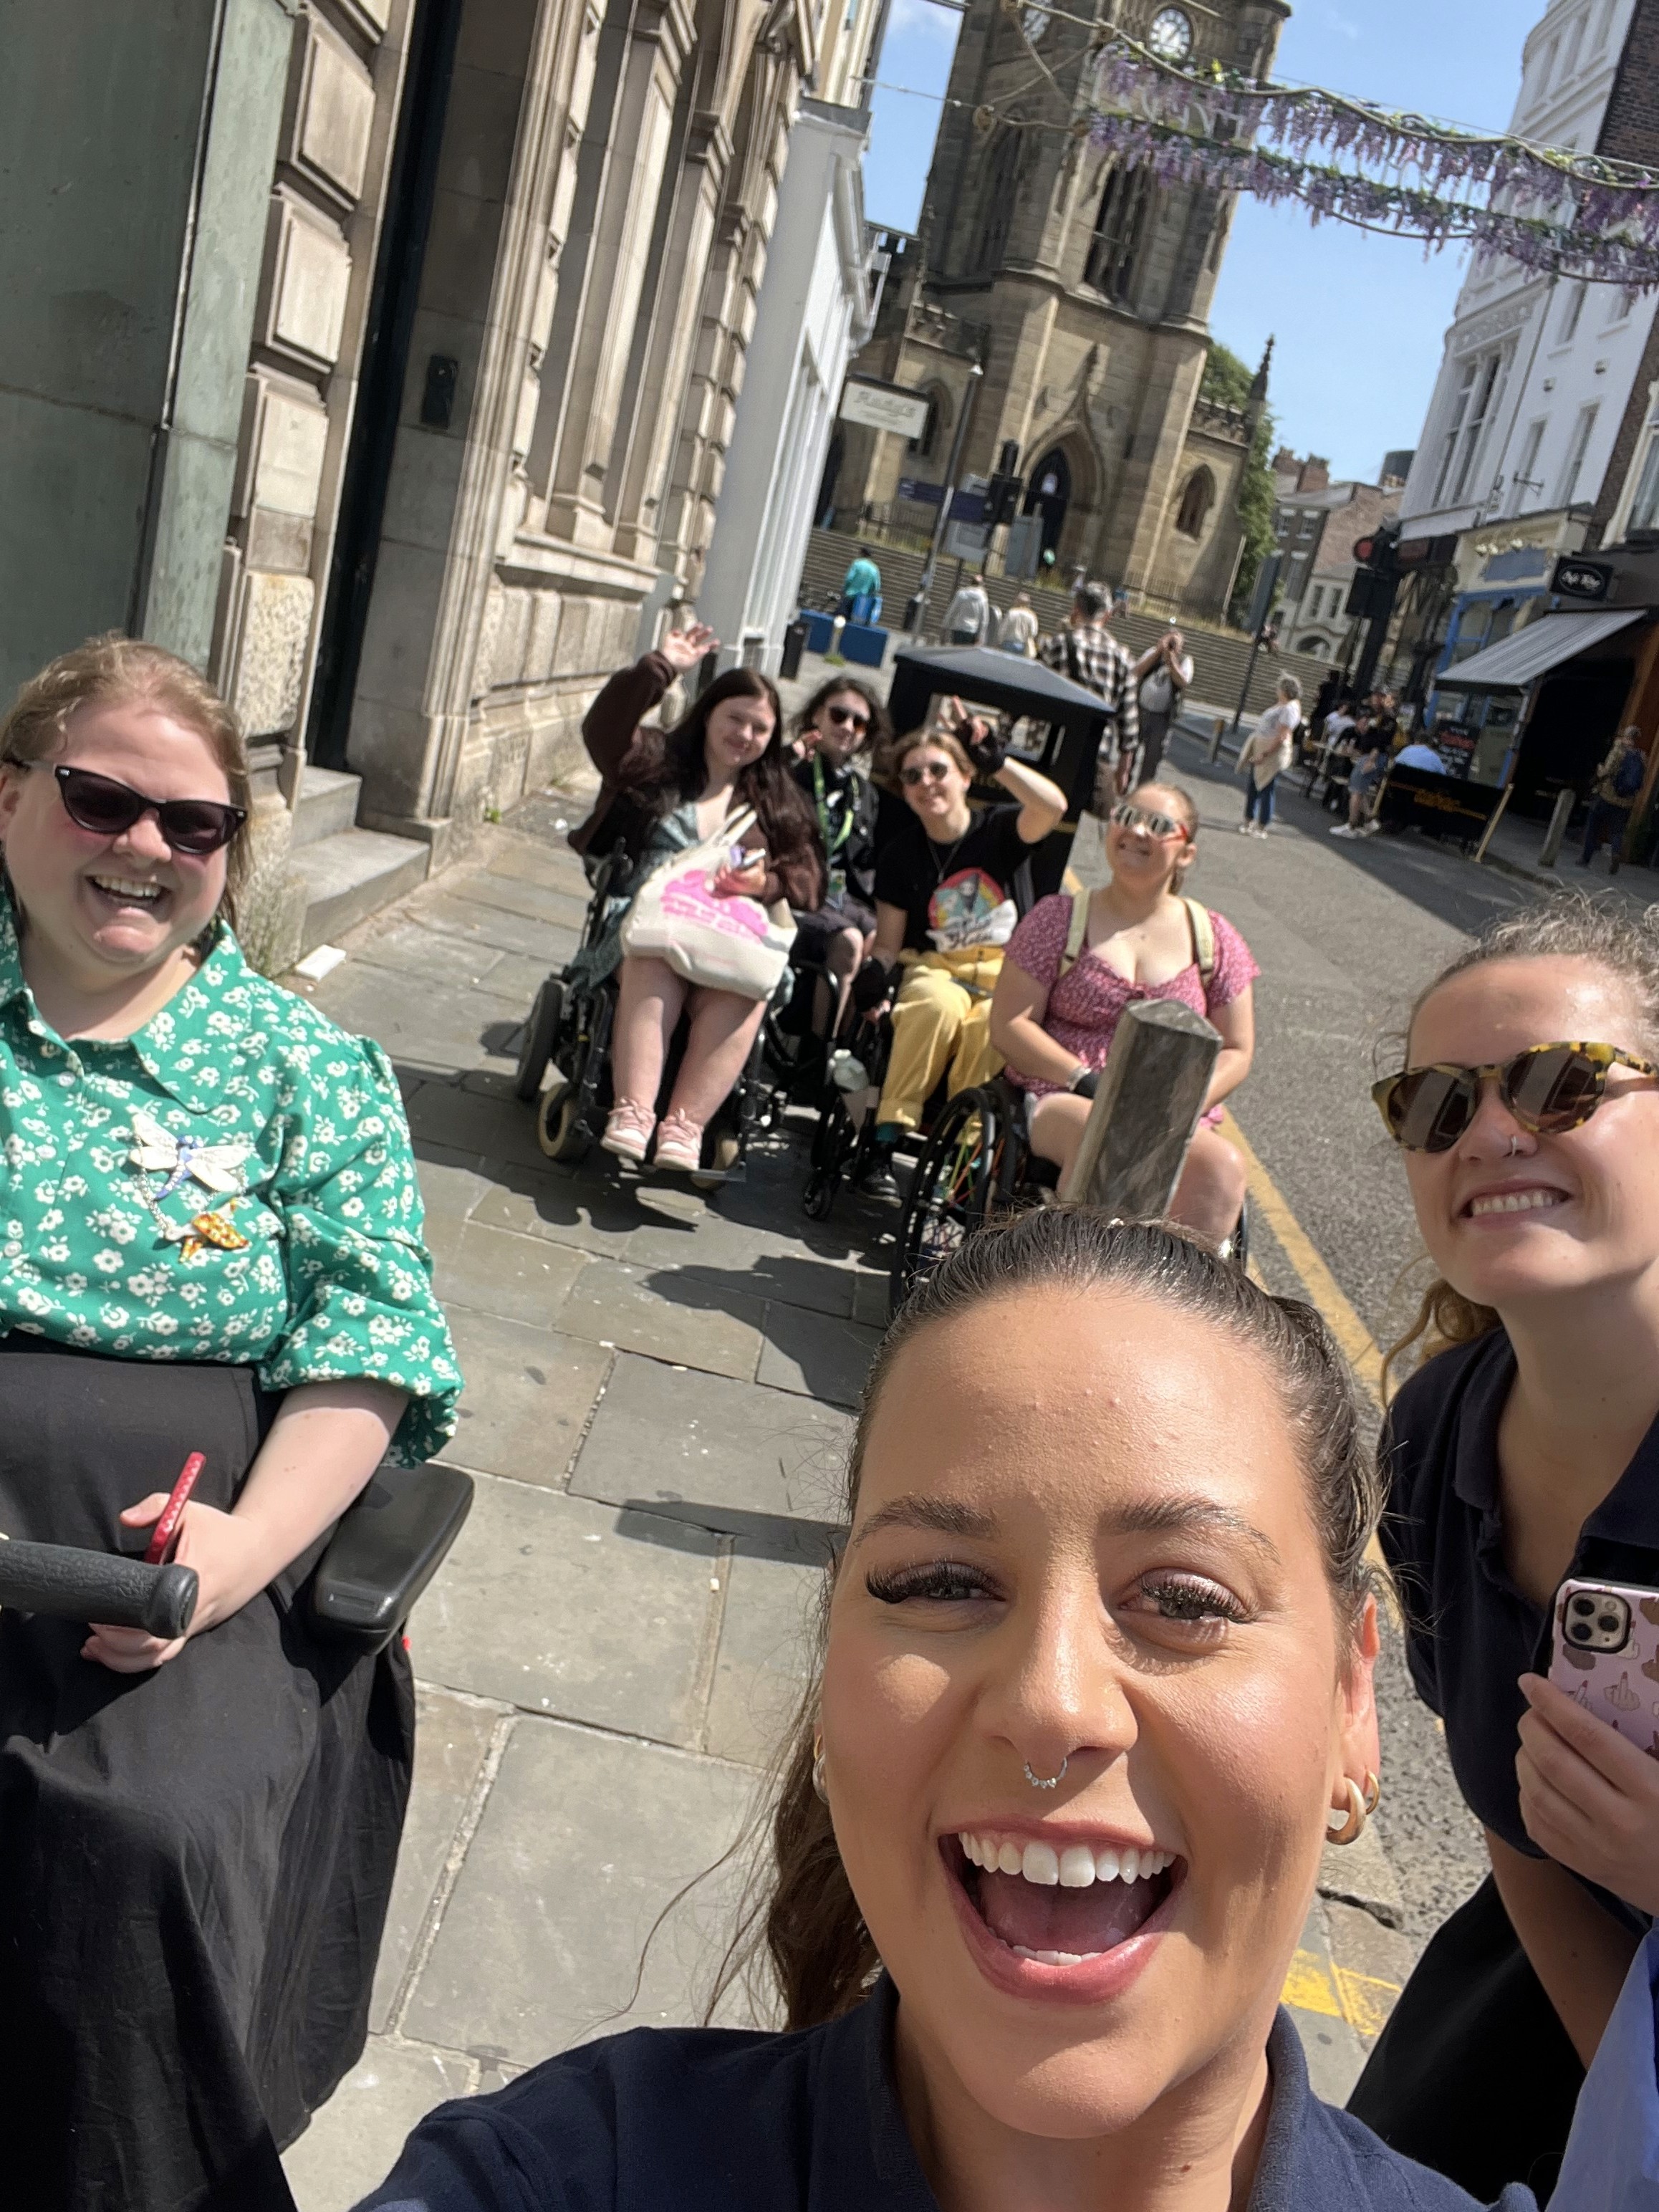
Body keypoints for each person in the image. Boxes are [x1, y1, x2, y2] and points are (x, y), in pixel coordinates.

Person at [355, 1206, 1655, 2212]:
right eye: (938, 1584)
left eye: (1185, 1599)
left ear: (1353, 1701)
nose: (1049, 1704)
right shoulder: (570, 2172)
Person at [0, 635, 463, 2210]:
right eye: (100, 798)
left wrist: (236, 1557)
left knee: (133, 1841)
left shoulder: (303, 1070)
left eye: (192, 823)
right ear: (12, 798)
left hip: (176, 1542)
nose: (144, 844)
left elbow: (370, 1342)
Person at [1350, 898, 1659, 2201]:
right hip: (1543, 2018)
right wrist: (1623, 2102)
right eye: (1434, 1104)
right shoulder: (1433, 1433)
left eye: (1557, 1083)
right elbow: (1513, 1822)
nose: (1486, 1133)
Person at [568, 623, 822, 1171]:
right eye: (736, 718)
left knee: (744, 986)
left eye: (760, 728)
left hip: (729, 934)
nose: (745, 735)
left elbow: (809, 879)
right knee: (656, 957)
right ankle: (634, 1113)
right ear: (708, 713)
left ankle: (685, 1127)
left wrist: (765, 884)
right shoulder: (657, 762)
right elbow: (603, 732)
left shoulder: (777, 801)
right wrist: (659, 669)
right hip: (648, 922)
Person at [990, 784, 1254, 1241]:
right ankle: (1080, 1270)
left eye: (1158, 825)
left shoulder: (1214, 937)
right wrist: (1085, 1080)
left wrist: (1184, 1102)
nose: (1137, 831)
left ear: (1186, 853)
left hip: (1168, 1111)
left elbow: (1237, 1047)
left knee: (1223, 1166)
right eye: (1127, 816)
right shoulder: (1058, 918)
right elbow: (1010, 1025)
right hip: (1066, 1093)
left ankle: (1179, 1284)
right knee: (1106, 1139)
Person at [855, 711, 1065, 1199]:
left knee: (990, 1027)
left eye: (938, 770)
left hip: (1003, 974)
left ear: (966, 777)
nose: (926, 783)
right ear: (904, 790)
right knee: (934, 1008)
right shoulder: (900, 854)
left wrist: (1000, 763)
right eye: (912, 776)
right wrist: (873, 972)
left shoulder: (1000, 830)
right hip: (937, 969)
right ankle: (886, 1136)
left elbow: (1053, 807)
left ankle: (961, 1159)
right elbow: (888, 944)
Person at [787, 676, 888, 1042]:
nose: (847, 727)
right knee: (848, 941)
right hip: (793, 891)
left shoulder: (863, 792)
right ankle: (819, 1050)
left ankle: (845, 1049)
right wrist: (788, 757)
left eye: (859, 723)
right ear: (817, 715)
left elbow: (864, 864)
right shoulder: (790, 771)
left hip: (841, 897)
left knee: (881, 940)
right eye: (838, 715)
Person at [1039, 583, 1140, 809]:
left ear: (1076, 609)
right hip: (1097, 759)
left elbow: (1030, 693)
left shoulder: (1058, 645)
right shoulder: (1122, 657)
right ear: (1107, 615)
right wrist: (1124, 769)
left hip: (1056, 751)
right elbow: (1129, 721)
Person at [1239, 675, 1301, 838]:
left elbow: (1282, 735)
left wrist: (1265, 754)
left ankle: (1262, 826)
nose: (1277, 690)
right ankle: (1248, 820)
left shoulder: (1289, 709)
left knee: (1266, 787)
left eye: (1279, 687)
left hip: (1270, 750)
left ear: (1285, 690)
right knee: (1254, 785)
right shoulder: (1282, 705)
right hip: (1261, 744)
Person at [1578, 726, 1646, 873]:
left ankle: (1585, 858)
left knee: (1593, 827)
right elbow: (1640, 782)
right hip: (1625, 803)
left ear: (1625, 735)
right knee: (1617, 832)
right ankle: (1615, 853)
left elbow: (1607, 771)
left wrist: (1599, 770)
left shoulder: (1618, 751)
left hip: (1606, 796)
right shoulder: (1641, 756)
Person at [1133, 627, 1194, 783]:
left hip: (1161, 718)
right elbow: (1137, 672)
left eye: (1175, 643)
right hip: (1140, 712)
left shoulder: (1185, 661)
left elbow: (1183, 681)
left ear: (1182, 646)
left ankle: (1142, 793)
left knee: (1151, 761)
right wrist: (1158, 652)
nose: (1171, 645)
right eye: (1170, 640)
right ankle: (1123, 789)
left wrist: (1171, 659)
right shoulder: (1152, 653)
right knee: (1129, 753)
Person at [1331, 706, 1391, 840]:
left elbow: (1376, 747)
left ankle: (1352, 825)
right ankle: (1369, 820)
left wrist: (1370, 761)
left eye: (1364, 722)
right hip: (1372, 759)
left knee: (1356, 791)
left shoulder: (1375, 731)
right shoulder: (1375, 730)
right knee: (1360, 790)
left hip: (1370, 759)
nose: (1362, 725)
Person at [943, 572, 991, 646]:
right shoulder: (983, 599)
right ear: (981, 585)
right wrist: (980, 636)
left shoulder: (962, 594)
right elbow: (984, 619)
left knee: (956, 650)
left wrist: (946, 625)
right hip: (972, 631)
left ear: (971, 582)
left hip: (959, 628)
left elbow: (952, 611)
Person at [838, 546, 881, 622]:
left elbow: (849, 579)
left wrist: (845, 590)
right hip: (863, 601)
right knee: (857, 622)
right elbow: (876, 586)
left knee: (841, 619)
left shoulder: (857, 563)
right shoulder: (874, 568)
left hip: (850, 596)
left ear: (862, 553)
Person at [997, 590, 1038, 657]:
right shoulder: (1031, 616)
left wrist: (1000, 641)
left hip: (1008, 643)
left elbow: (1003, 628)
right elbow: (1033, 633)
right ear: (1028, 604)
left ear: (1018, 602)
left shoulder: (1011, 613)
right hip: (1021, 645)